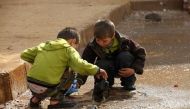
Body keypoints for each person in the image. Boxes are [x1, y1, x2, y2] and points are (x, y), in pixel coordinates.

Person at [20, 27, 108, 108]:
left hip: (31, 84)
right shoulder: (68, 49)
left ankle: (35, 100)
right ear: (72, 41)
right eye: (76, 45)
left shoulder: (44, 46)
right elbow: (80, 65)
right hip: (47, 87)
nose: (76, 48)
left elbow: (24, 54)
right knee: (72, 70)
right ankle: (55, 101)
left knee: (48, 76)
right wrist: (97, 70)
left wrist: (40, 62)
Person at [77, 19, 146, 102]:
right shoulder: (92, 45)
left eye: (105, 41)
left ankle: (128, 83)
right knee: (100, 64)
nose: (101, 43)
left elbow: (141, 53)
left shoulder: (125, 41)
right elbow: (86, 63)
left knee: (125, 56)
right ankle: (104, 85)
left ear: (112, 36)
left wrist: (134, 69)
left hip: (124, 68)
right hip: (106, 70)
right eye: (98, 40)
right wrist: (79, 81)